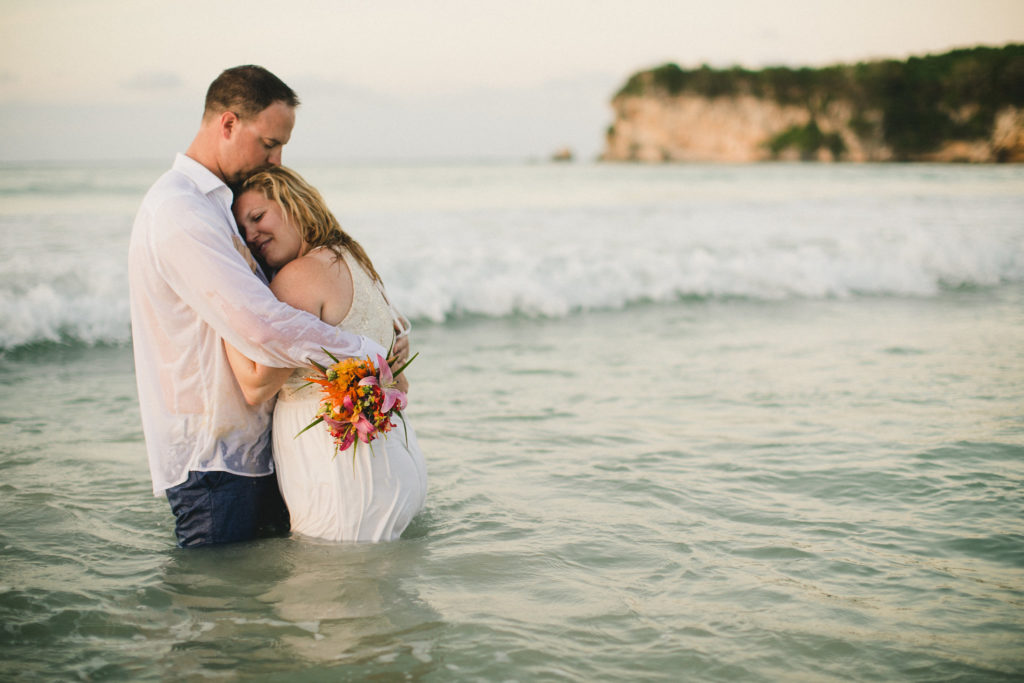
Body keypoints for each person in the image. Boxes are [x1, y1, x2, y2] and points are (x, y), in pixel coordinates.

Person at [128, 65, 397, 548]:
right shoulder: (180, 210)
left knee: (260, 611)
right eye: (269, 143)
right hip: (214, 461)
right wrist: (362, 348)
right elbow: (262, 324)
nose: (275, 160)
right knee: (218, 611)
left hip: (253, 453)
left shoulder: (218, 204)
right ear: (228, 124)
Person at [223, 166, 427, 542]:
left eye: (258, 217)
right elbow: (402, 383)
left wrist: (221, 309)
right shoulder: (354, 260)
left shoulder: (298, 277)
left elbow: (257, 385)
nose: (251, 236)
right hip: (396, 463)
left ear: (295, 205)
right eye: (242, 230)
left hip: (343, 479)